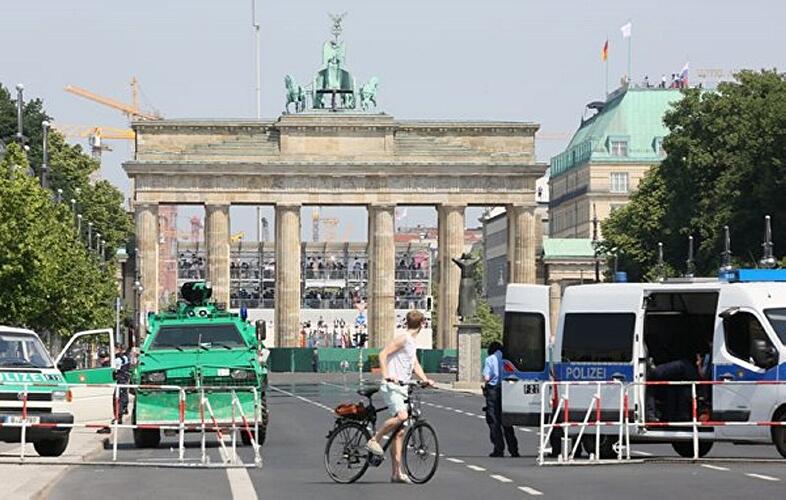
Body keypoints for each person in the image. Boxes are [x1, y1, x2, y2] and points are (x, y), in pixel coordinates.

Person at [365, 310, 434, 483]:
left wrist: (425, 379)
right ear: (422, 324)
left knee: (400, 431)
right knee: (402, 416)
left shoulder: (411, 343)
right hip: (391, 386)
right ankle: (375, 439)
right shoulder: (404, 339)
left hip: (402, 387)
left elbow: (414, 363)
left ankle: (397, 473)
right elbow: (383, 353)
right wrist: (387, 375)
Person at [482, 341, 519, 457]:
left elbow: (487, 377)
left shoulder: (490, 359)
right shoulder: (507, 358)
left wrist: (484, 385)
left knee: (494, 420)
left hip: (493, 390)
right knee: (507, 421)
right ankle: (514, 449)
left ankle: (499, 448)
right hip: (506, 389)